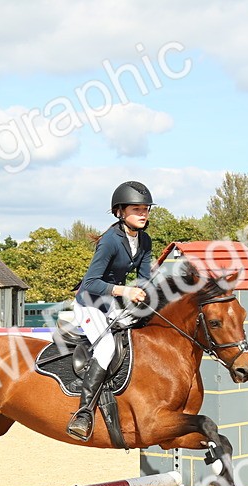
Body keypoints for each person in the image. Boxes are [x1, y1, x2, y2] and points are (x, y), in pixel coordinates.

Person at [66, 180, 153, 441]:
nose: (143, 214)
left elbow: (144, 279)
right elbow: (91, 283)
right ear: (120, 212)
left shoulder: (145, 239)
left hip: (112, 303)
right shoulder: (110, 241)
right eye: (136, 209)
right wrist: (126, 291)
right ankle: (83, 413)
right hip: (89, 302)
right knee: (106, 348)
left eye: (146, 209)